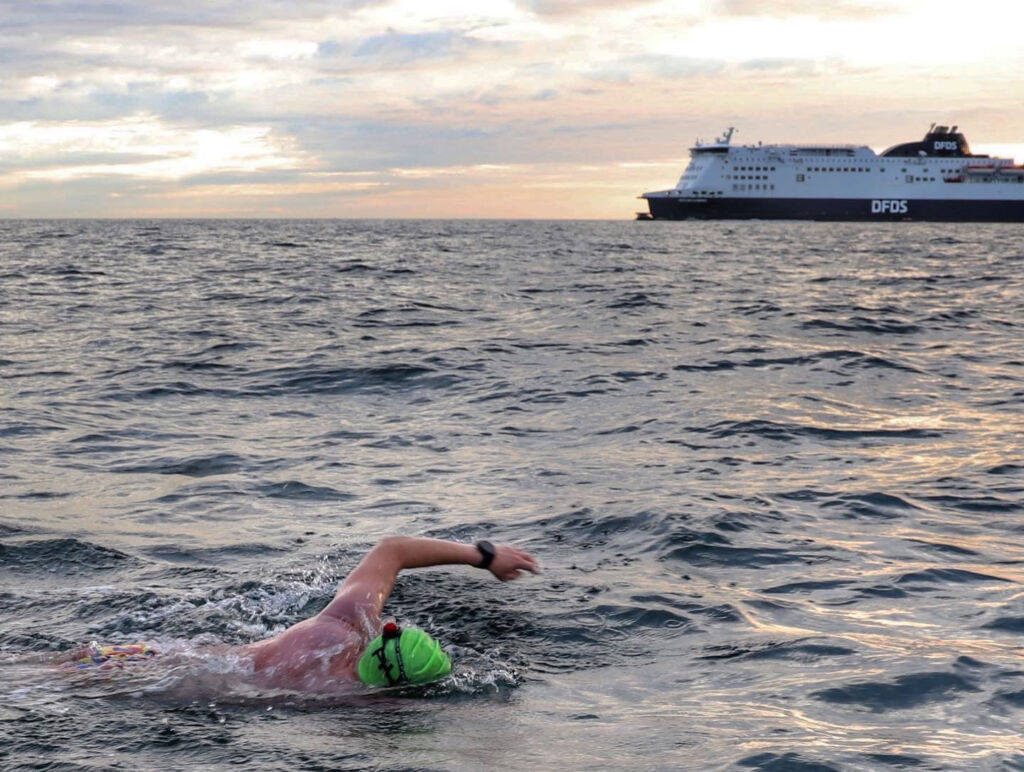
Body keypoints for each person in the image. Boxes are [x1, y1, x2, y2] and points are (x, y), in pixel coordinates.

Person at [62, 536, 540, 692]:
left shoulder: (346, 621)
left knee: (66, 666)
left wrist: (484, 555)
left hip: (161, 656)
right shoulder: (339, 699)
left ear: (385, 633)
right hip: (180, 683)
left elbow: (391, 549)